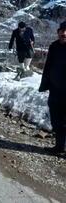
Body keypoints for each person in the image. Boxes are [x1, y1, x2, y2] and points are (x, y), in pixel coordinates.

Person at [39, 21, 66, 155]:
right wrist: (45, 84)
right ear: (58, 32)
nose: (64, 33)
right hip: (55, 91)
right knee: (56, 121)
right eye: (62, 30)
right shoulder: (54, 47)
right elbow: (48, 66)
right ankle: (59, 147)